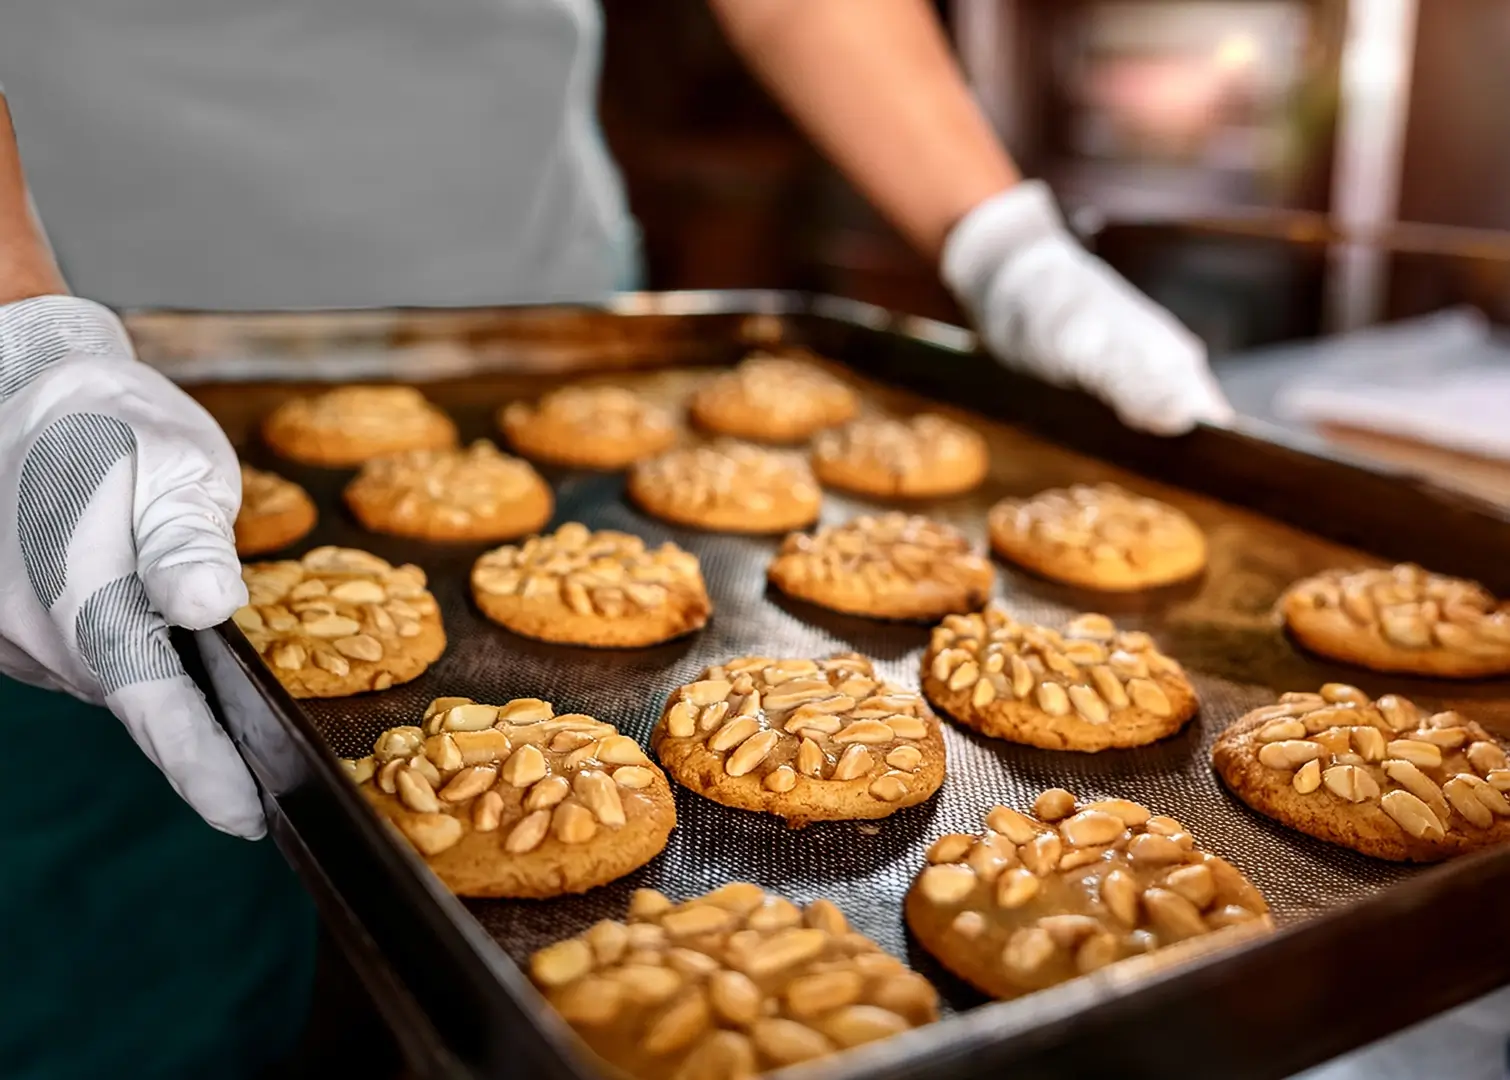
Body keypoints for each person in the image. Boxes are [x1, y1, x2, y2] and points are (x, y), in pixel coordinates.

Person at [0, 1, 1232, 1076]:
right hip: (86, 402)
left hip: (556, 330)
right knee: (117, 978)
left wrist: (997, 235)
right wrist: (19, 340)